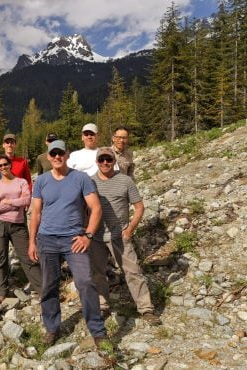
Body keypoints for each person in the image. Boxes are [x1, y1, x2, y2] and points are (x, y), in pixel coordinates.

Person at [29, 140, 109, 348]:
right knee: (49, 285)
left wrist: (88, 235)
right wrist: (32, 242)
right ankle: (52, 328)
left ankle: (98, 331)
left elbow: (96, 208)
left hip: (74, 239)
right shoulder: (41, 181)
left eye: (60, 153)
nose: (57, 157)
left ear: (67, 155)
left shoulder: (80, 178)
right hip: (46, 239)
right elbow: (36, 213)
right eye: (53, 153)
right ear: (48, 156)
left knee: (85, 282)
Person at [89, 147, 161, 325]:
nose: (105, 162)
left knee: (133, 271)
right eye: (102, 159)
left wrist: (130, 229)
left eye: (109, 159)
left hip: (119, 235)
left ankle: (146, 309)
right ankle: (103, 305)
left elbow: (139, 207)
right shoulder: (89, 182)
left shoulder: (126, 181)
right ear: (97, 161)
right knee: (97, 273)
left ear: (114, 161)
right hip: (96, 237)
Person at [0, 155, 42, 303]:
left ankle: (43, 289)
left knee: (28, 257)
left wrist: (9, 201)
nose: (3, 167)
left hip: (18, 225)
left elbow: (26, 200)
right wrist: (16, 203)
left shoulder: (22, 182)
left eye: (5, 164)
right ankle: (1, 291)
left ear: (10, 165)